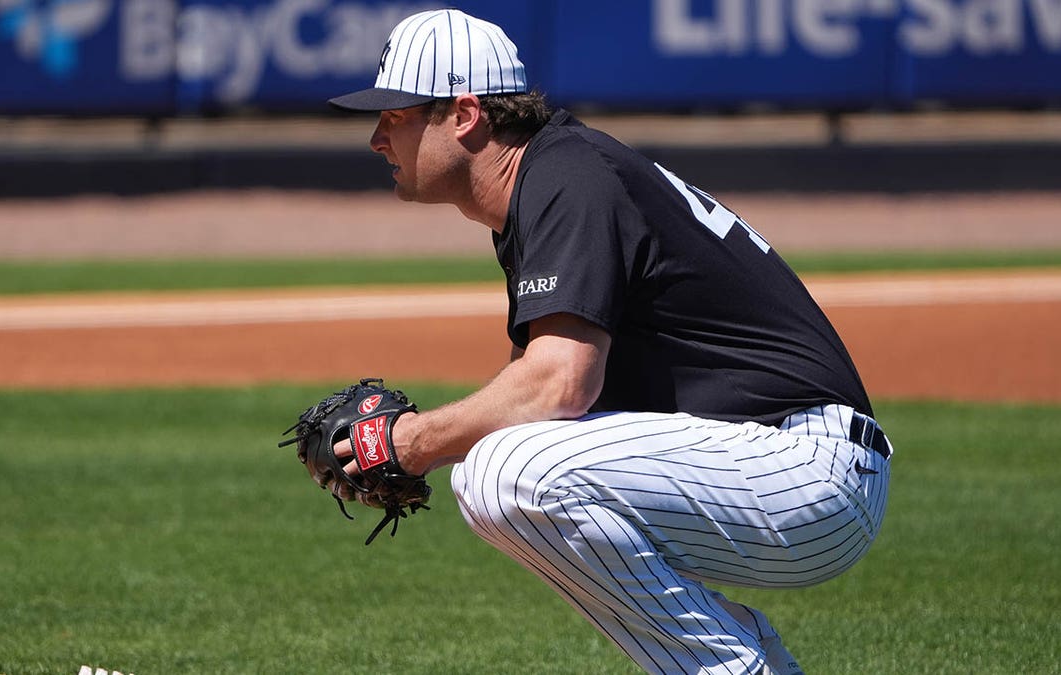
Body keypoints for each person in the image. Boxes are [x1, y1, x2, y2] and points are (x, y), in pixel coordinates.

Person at [327, 9, 892, 675]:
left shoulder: (566, 176)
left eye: (395, 117)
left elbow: (560, 385)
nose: (374, 138)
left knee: (503, 473)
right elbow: (538, 396)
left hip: (804, 467)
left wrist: (412, 444)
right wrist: (409, 453)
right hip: (775, 465)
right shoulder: (551, 181)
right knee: (503, 467)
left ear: (466, 114)